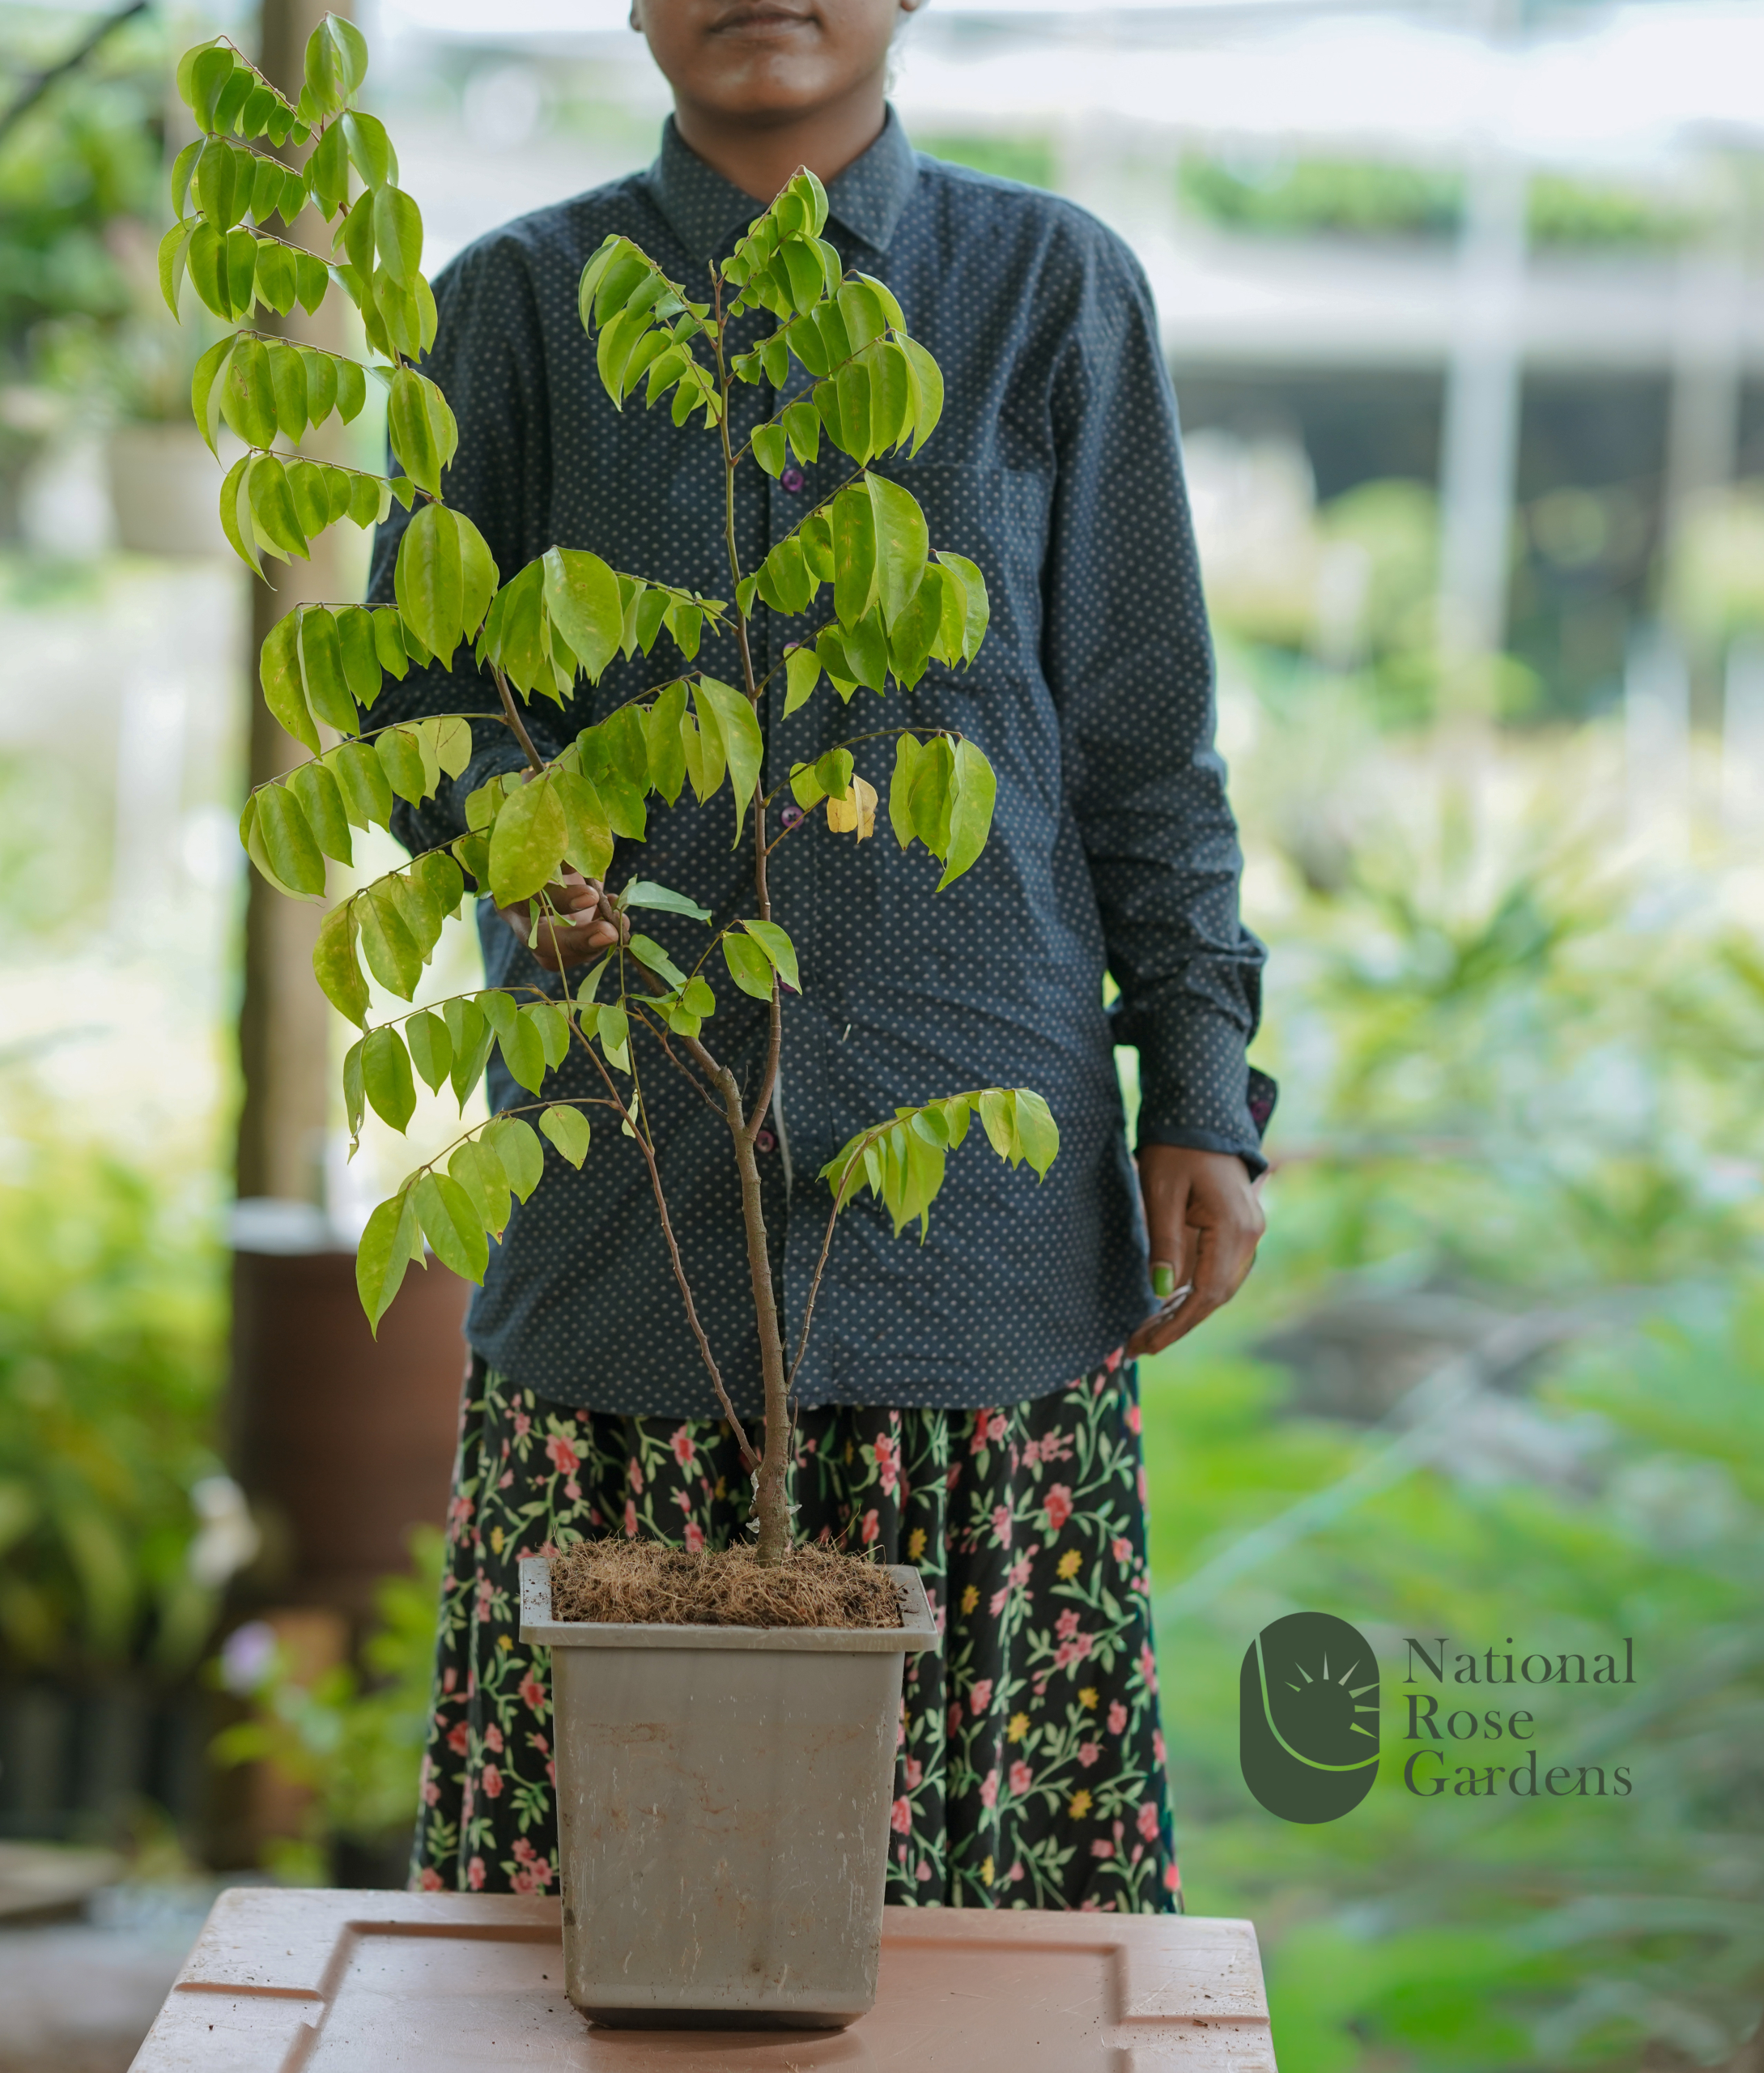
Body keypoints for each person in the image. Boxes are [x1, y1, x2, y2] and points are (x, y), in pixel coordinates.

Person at [367, 0, 1271, 1912]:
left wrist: (1198, 1085)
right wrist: (538, 871)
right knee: (594, 1912)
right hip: (631, 1217)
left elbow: (1132, 734)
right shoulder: (517, 306)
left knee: (981, 1923)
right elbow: (424, 698)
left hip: (978, 1240)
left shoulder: (1045, 289)